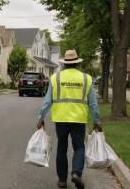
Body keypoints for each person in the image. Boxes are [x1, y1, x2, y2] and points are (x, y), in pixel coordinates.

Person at [37, 50, 102, 189]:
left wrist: (41, 117)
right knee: (79, 147)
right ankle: (77, 174)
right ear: (78, 64)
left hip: (61, 118)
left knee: (62, 148)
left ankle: (62, 180)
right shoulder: (86, 78)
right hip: (78, 119)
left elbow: (47, 101)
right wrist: (97, 120)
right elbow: (93, 104)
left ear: (64, 65)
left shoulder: (56, 78)